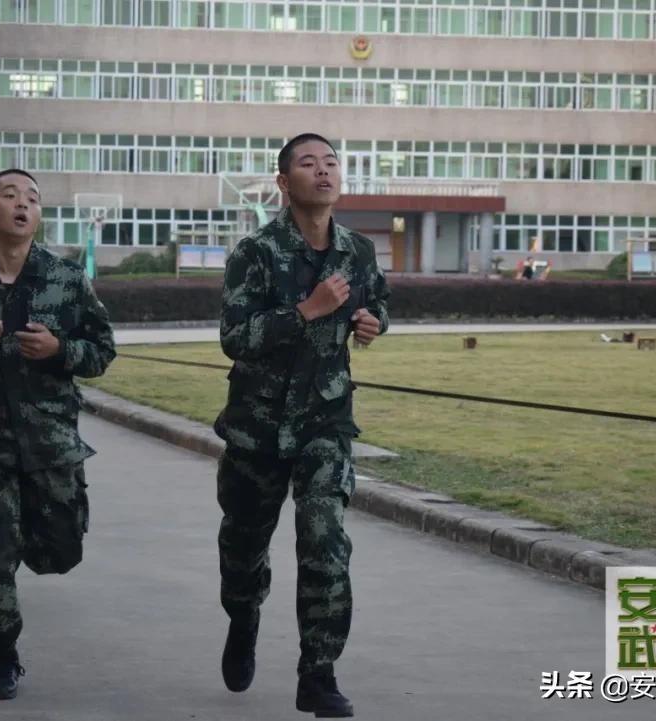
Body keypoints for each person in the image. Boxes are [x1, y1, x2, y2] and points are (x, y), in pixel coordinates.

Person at [213, 133, 390, 718]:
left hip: (325, 420)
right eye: (308, 163)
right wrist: (305, 311)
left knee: (324, 540)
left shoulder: (357, 251)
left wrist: (371, 323)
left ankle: (318, 673)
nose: (323, 171)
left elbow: (378, 303)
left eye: (331, 162)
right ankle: (243, 616)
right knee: (243, 547)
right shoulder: (256, 252)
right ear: (284, 183)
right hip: (257, 427)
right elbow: (234, 337)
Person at [0, 169, 115, 701]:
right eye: (10, 195)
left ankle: (11, 545)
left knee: (60, 549)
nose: (23, 204)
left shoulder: (66, 279)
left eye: (33, 198)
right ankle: (3, 654)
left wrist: (60, 350)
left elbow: (102, 351)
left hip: (51, 442)